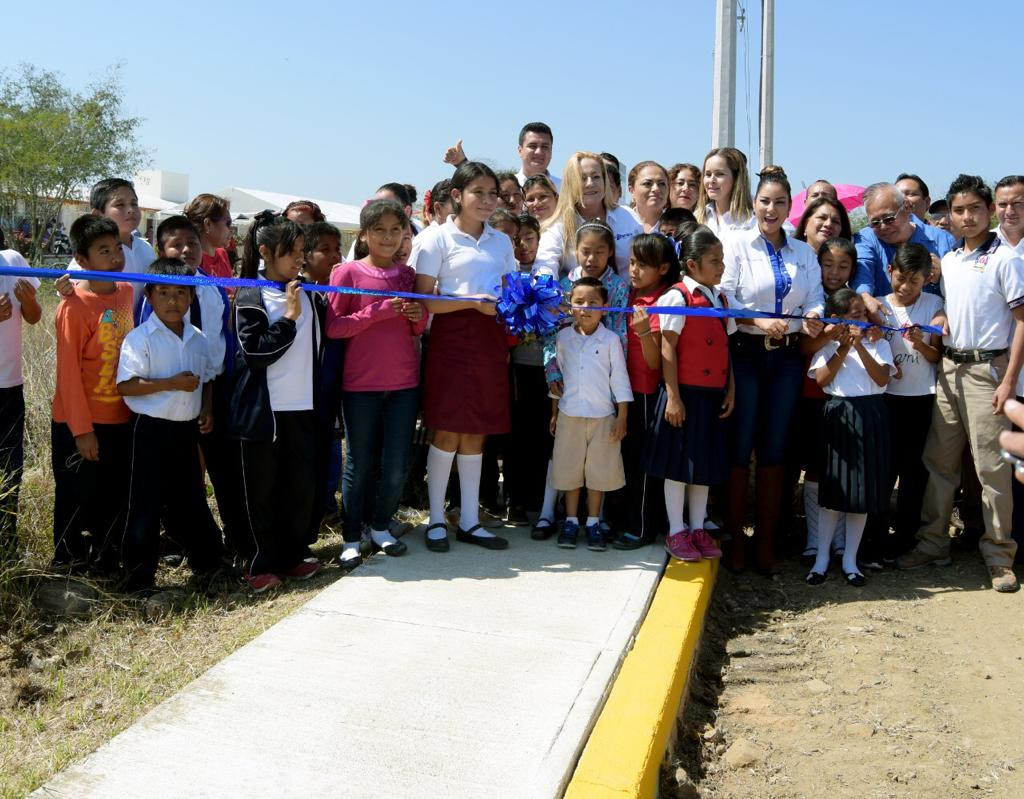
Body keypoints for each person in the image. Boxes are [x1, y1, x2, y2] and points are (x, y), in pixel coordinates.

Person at [898, 175, 1024, 593]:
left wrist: (1007, 381)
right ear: (948, 215)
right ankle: (933, 542)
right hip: (949, 370)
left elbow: (1021, 324)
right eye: (958, 210)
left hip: (987, 374)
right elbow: (959, 310)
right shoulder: (949, 261)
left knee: (991, 469)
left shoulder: (1007, 260)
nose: (966, 217)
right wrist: (943, 321)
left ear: (988, 211)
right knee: (940, 463)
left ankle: (999, 554)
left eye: (974, 209)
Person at [720, 166, 824, 573]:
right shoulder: (737, 244)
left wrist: (813, 316)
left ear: (789, 207)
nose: (772, 209)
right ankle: (735, 540)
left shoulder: (803, 251)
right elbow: (723, 296)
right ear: (755, 203)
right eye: (765, 201)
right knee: (740, 444)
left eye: (780, 202)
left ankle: (764, 541)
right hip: (745, 352)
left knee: (775, 447)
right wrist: (757, 320)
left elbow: (814, 296)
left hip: (785, 358)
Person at [410, 161, 517, 552]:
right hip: (452, 341)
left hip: (490, 339)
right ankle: (437, 518)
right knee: (447, 429)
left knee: (476, 430)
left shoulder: (500, 241)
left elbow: (509, 291)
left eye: (493, 193)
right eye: (479, 193)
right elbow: (424, 300)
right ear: (457, 196)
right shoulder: (436, 238)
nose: (488, 201)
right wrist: (471, 302)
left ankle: (469, 520)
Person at [327, 199, 426, 570]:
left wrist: (418, 316)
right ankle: (352, 538)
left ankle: (382, 527)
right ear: (364, 235)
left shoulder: (407, 275)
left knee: (397, 463)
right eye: (379, 230)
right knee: (359, 462)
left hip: (404, 383)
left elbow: (418, 327)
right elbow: (335, 327)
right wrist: (376, 312)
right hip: (360, 384)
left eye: (396, 230)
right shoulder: (348, 273)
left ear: (405, 234)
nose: (388, 237)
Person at [227, 216, 324, 592]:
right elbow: (254, 352)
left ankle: (291, 556)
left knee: (298, 487)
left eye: (302, 251)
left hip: (303, 408)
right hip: (261, 414)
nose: (299, 259)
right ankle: (258, 562)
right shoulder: (251, 295)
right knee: (260, 492)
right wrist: (288, 318)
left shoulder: (310, 293)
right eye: (291, 252)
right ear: (265, 252)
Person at [115, 258, 224, 591]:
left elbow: (206, 379)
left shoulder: (198, 338)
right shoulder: (140, 338)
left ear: (191, 298)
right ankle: (139, 578)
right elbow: (126, 386)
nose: (173, 301)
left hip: (185, 431)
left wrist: (206, 409)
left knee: (190, 499)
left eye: (181, 293)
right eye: (164, 293)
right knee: (144, 504)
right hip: (149, 430)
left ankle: (209, 564)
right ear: (149, 295)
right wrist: (170, 384)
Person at [643, 227, 733, 561]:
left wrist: (731, 390)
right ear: (692, 265)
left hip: (712, 396)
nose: (721, 266)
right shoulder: (677, 297)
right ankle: (676, 530)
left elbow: (727, 349)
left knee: (703, 466)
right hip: (683, 395)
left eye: (722, 260)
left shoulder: (721, 298)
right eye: (714, 261)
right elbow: (668, 349)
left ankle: (697, 527)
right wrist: (674, 397)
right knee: (677, 467)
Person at [51, 215, 134, 573]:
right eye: (104, 251)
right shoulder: (73, 306)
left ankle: (106, 563)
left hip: (120, 418)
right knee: (75, 495)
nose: (116, 257)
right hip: (79, 423)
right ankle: (67, 565)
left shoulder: (127, 291)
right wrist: (81, 430)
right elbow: (67, 374)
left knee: (111, 496)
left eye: (117, 248)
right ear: (82, 260)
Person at [806, 288, 896, 587]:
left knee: (862, 494)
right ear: (837, 320)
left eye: (862, 313)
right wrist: (842, 347)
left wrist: (859, 348)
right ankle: (821, 560)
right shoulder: (828, 346)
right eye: (852, 315)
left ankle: (850, 560)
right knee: (834, 494)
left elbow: (882, 378)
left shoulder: (878, 343)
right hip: (839, 415)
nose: (859, 319)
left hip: (871, 416)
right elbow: (821, 380)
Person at [871, 243, 944, 562]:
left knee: (914, 471)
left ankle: (905, 537)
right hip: (887, 398)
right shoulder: (880, 307)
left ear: (926, 279)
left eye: (914, 281)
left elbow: (936, 355)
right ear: (890, 272)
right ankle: (875, 536)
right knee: (884, 470)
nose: (905, 287)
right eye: (900, 278)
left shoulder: (934, 304)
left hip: (921, 399)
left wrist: (920, 343)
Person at [550, 276, 632, 550]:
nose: (586, 308)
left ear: (605, 307)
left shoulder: (610, 340)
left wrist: (622, 416)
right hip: (569, 414)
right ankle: (571, 521)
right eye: (579, 302)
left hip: (602, 417)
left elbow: (619, 378)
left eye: (593, 303)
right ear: (570, 305)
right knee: (570, 469)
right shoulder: (563, 338)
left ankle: (594, 521)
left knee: (598, 472)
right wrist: (553, 413)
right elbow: (557, 380)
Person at [609, 234, 678, 550]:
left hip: (648, 392)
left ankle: (641, 527)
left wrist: (644, 332)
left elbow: (655, 363)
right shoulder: (630, 294)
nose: (634, 270)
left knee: (644, 464)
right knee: (623, 459)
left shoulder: (665, 301)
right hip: (623, 391)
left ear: (663, 268)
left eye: (643, 265)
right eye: (632, 262)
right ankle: (620, 520)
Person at [797, 237, 857, 566]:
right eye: (828, 264)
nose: (834, 272)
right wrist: (830, 334)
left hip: (847, 398)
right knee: (817, 468)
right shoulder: (811, 299)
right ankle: (814, 538)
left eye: (843, 266)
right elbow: (805, 349)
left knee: (845, 468)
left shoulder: (857, 302)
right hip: (814, 395)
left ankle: (840, 541)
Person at [534, 151, 642, 279]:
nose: (590, 183)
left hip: (628, 297)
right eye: (582, 178)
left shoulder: (628, 216)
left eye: (596, 177)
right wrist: (546, 290)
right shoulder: (558, 224)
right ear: (570, 183)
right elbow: (545, 264)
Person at [302, 221, 345, 530]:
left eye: (337, 250)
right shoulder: (299, 293)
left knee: (330, 448)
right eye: (324, 250)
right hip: (305, 390)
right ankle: (308, 510)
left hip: (333, 387)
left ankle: (326, 505)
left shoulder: (337, 293)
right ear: (304, 255)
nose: (334, 257)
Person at [853, 182, 956, 309]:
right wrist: (864, 296)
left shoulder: (943, 241)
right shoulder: (865, 239)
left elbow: (960, 291)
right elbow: (862, 270)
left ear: (906, 207)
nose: (883, 227)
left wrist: (943, 277)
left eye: (888, 219)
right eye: (875, 222)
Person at [0, 246, 41, 558]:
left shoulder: (12, 261)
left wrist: (28, 301)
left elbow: (34, 316)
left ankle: (7, 545)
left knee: (10, 469)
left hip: (9, 386)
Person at [67, 178, 156, 305]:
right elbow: (70, 291)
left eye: (134, 204)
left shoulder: (146, 248)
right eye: (120, 205)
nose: (131, 209)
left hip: (142, 324)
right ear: (98, 214)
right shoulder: (92, 253)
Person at [443, 122, 562, 191]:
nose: (539, 152)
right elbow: (481, 185)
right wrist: (461, 163)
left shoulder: (565, 189)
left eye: (545, 147)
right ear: (520, 150)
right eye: (533, 146)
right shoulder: (504, 186)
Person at [694, 147, 755, 237]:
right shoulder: (697, 218)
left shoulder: (752, 219)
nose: (711, 180)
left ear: (736, 178)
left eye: (719, 174)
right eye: (708, 174)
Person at [184, 193, 234, 281]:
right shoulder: (191, 259)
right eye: (228, 223)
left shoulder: (222, 254)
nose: (231, 230)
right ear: (208, 224)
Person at [627, 161, 670, 233]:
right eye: (647, 183)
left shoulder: (678, 227)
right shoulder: (617, 223)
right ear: (632, 190)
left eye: (662, 184)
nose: (656, 189)